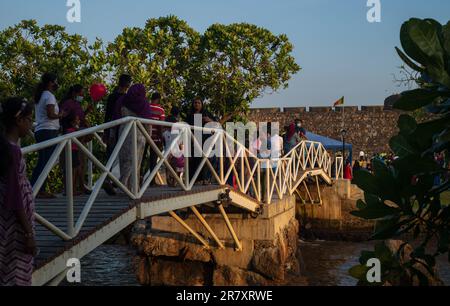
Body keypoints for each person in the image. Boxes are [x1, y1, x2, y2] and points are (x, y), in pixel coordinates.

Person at [0, 97, 37, 286]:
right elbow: (14, 195)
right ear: (19, 120)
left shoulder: (5, 148)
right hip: (15, 226)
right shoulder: (12, 151)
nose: (31, 124)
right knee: (15, 274)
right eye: (29, 119)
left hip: (6, 221)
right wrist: (29, 233)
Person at [30, 73, 63, 199]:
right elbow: (50, 114)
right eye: (55, 81)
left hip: (40, 131)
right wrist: (60, 115)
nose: (56, 84)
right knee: (47, 162)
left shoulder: (41, 95)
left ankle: (35, 188)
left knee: (42, 161)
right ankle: (39, 190)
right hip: (49, 131)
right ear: (50, 83)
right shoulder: (49, 96)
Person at [116, 84, 152, 190]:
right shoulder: (143, 102)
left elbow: (116, 116)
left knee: (125, 159)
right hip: (139, 134)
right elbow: (147, 122)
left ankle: (123, 184)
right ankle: (133, 187)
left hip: (124, 133)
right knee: (136, 161)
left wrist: (112, 134)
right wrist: (149, 138)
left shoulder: (122, 100)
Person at [60, 85, 92, 195]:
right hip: (70, 136)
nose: (82, 96)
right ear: (74, 92)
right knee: (71, 165)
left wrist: (86, 112)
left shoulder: (77, 104)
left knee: (79, 163)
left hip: (79, 136)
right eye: (81, 93)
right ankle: (70, 189)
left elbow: (79, 118)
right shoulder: (67, 103)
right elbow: (65, 117)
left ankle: (80, 186)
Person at [103, 74, 132, 195]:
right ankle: (120, 181)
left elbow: (107, 115)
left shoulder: (112, 97)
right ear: (128, 84)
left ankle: (109, 179)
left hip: (113, 127)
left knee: (112, 155)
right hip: (122, 128)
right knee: (124, 155)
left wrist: (106, 130)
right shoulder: (127, 98)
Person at [185, 97, 215, 185]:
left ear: (202, 105)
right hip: (193, 141)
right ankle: (194, 180)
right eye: (195, 103)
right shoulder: (190, 115)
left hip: (205, 140)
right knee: (194, 161)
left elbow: (216, 125)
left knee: (206, 160)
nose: (197, 104)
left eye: (198, 103)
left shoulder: (206, 113)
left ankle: (205, 179)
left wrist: (209, 120)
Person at [145, 92, 166, 186]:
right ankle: (152, 181)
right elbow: (161, 126)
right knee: (153, 159)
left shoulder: (146, 107)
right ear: (158, 99)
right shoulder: (160, 110)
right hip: (155, 137)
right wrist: (161, 138)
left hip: (145, 135)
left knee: (141, 159)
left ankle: (139, 179)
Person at [64, 114, 84, 196]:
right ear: (72, 123)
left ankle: (78, 188)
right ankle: (71, 190)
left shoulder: (74, 130)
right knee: (73, 171)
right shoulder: (70, 131)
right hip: (71, 151)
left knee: (78, 169)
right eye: (77, 120)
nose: (79, 121)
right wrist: (77, 130)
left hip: (75, 151)